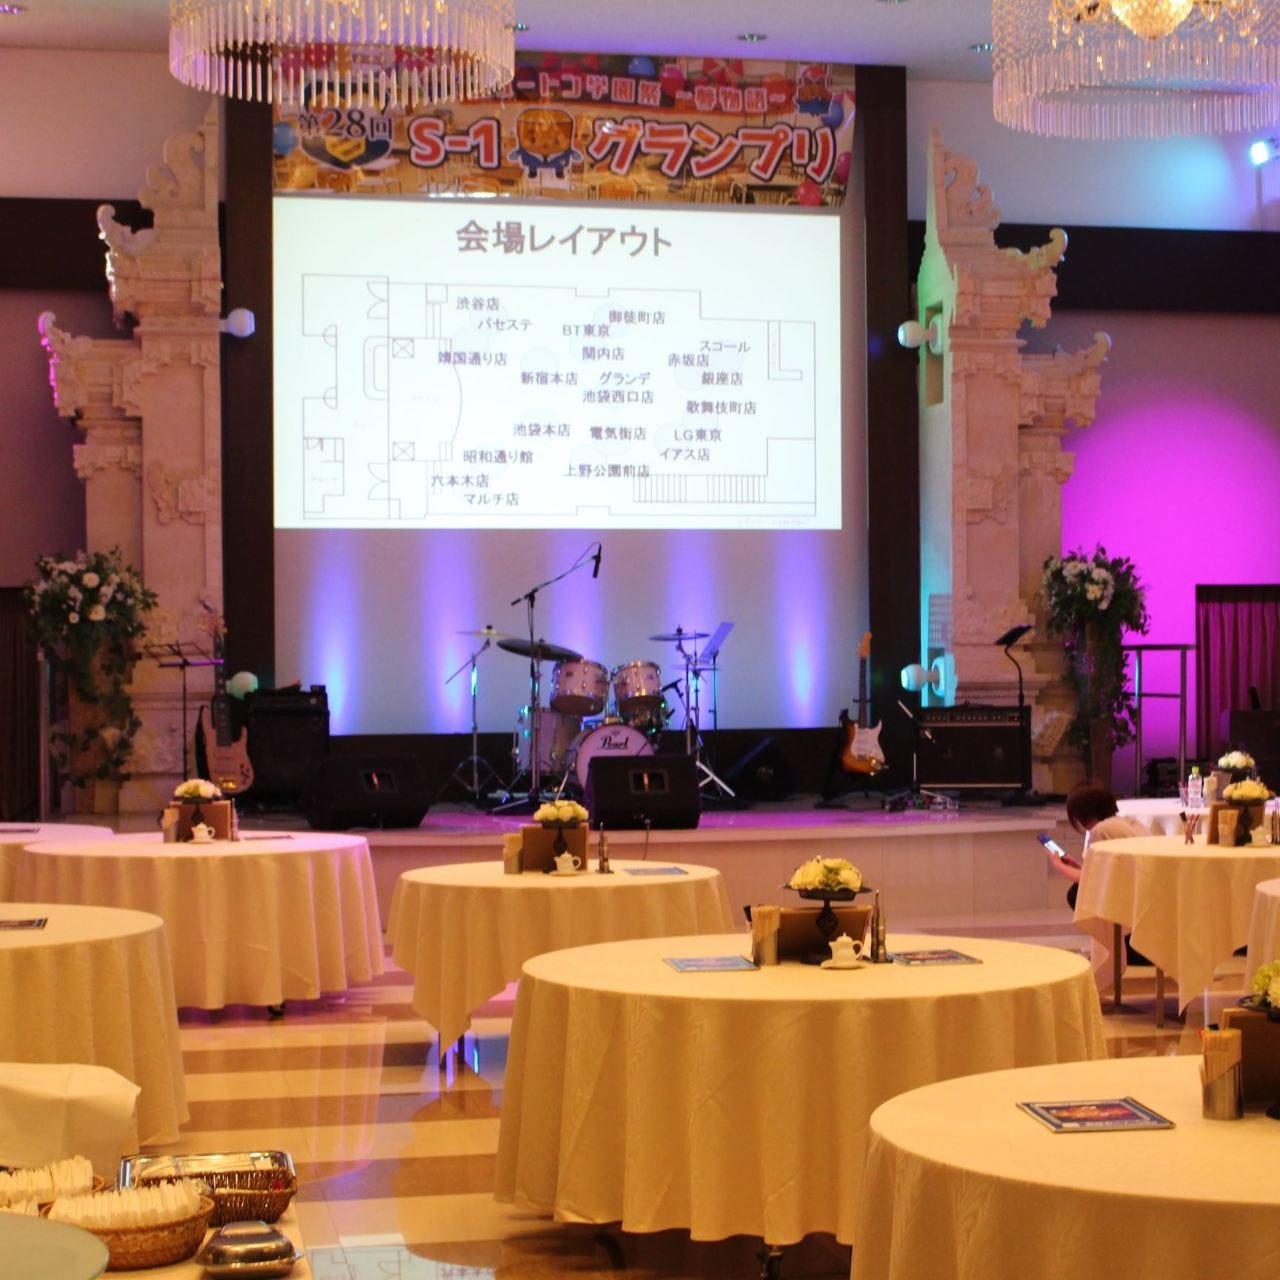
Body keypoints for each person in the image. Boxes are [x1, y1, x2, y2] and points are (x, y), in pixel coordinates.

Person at [1046, 782, 1150, 962]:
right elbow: (1106, 873)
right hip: (1142, 896)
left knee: (1077, 894)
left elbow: (1090, 881)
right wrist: (1076, 865)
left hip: (1130, 900)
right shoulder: (1128, 823)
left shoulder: (1101, 831)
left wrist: (1058, 864)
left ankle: (1117, 947)